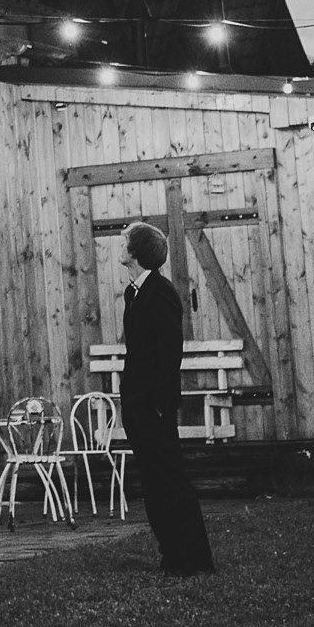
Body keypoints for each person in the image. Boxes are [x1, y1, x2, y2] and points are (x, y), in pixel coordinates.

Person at [119, 220, 214, 576]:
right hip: (136, 404)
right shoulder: (133, 293)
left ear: (136, 252)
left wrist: (159, 405)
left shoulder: (161, 292)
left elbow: (169, 353)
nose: (121, 244)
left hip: (154, 407)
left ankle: (195, 559)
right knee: (152, 481)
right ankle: (171, 554)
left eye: (125, 240)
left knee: (170, 479)